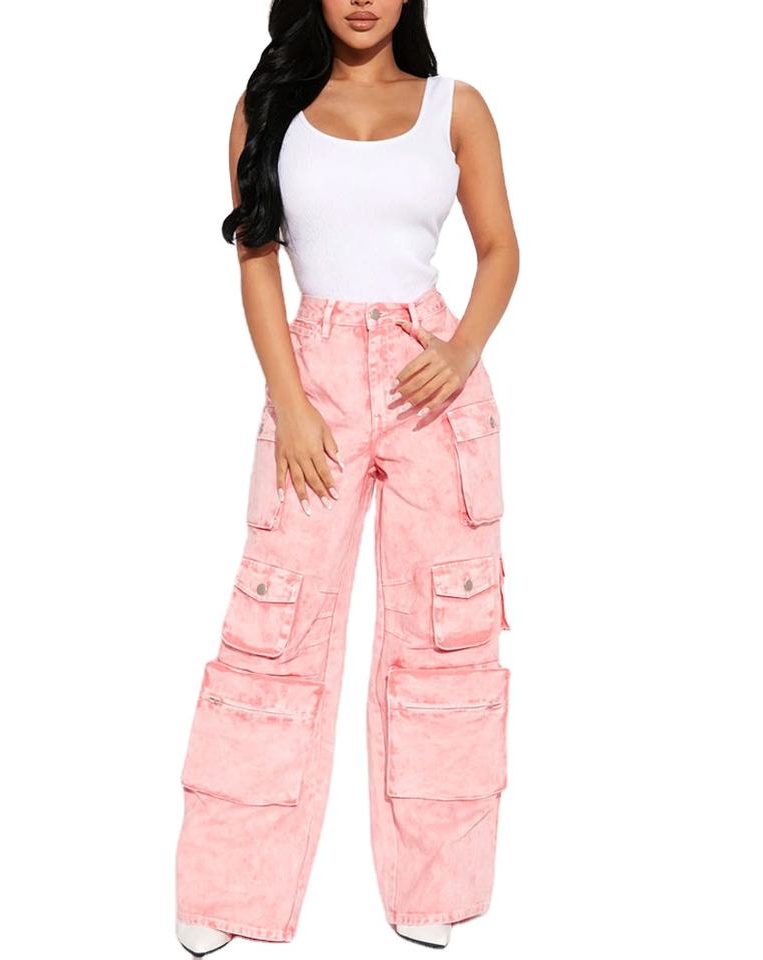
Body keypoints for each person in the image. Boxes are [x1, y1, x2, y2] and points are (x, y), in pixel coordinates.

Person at [174, 0, 519, 954]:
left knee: (443, 632)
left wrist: (462, 349)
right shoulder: (267, 106)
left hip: (430, 378)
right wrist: (289, 400)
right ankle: (229, 885)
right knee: (274, 626)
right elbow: (256, 261)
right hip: (313, 376)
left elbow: (500, 248)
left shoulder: (456, 107)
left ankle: (434, 886)